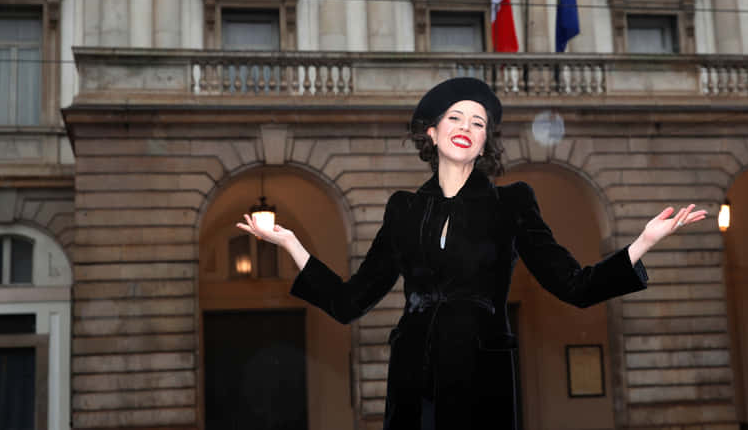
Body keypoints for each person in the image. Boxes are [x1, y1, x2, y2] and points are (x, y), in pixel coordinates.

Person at [237, 77, 707, 430]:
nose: (467, 127)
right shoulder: (403, 209)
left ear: (485, 143)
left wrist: (642, 243)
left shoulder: (512, 203)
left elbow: (575, 287)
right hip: (411, 382)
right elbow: (348, 302)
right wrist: (291, 243)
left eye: (478, 122)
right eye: (455, 118)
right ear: (432, 133)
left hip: (480, 377)